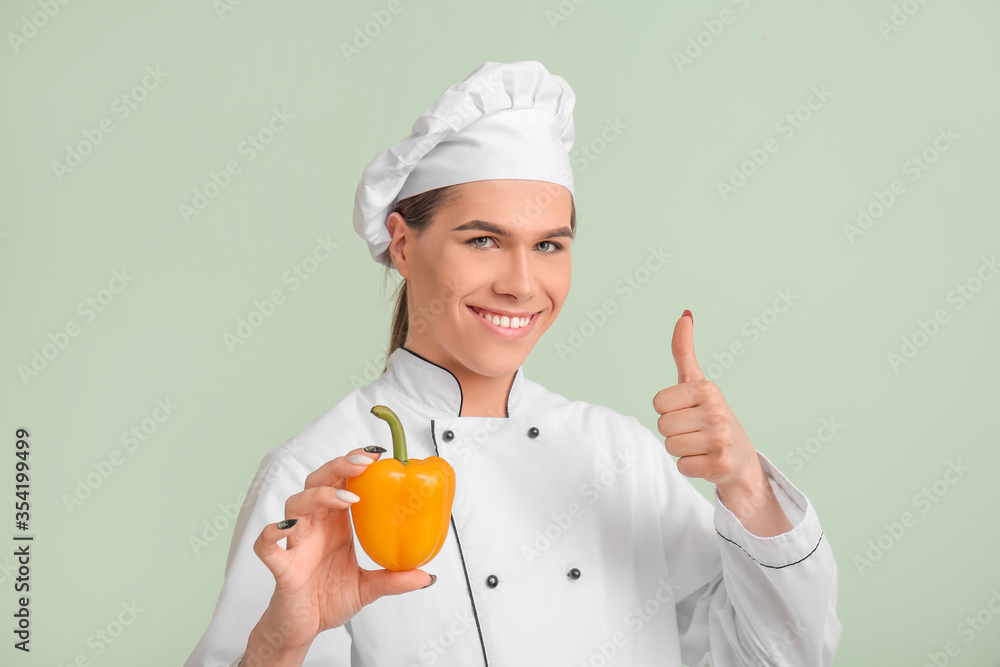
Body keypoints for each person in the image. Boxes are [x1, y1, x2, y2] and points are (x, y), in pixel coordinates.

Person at [184, 60, 841, 667]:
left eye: (549, 244)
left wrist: (746, 484)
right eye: (484, 240)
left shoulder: (618, 454)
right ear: (404, 243)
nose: (522, 283)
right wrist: (278, 640)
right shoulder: (316, 478)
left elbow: (784, 654)